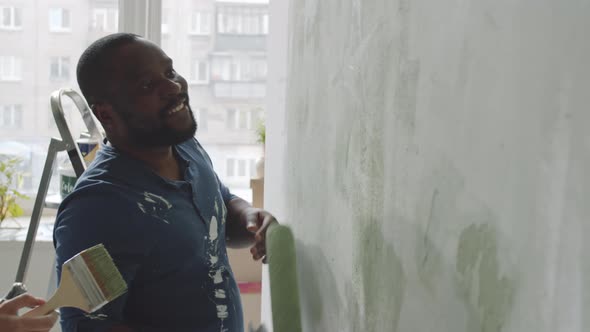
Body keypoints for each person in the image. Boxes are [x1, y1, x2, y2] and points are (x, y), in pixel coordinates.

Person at [53, 33, 277, 331]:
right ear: (106, 113)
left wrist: (250, 219)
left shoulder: (185, 148)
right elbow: (88, 326)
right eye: (147, 85)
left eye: (170, 72)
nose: (173, 87)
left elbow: (218, 206)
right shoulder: (97, 207)